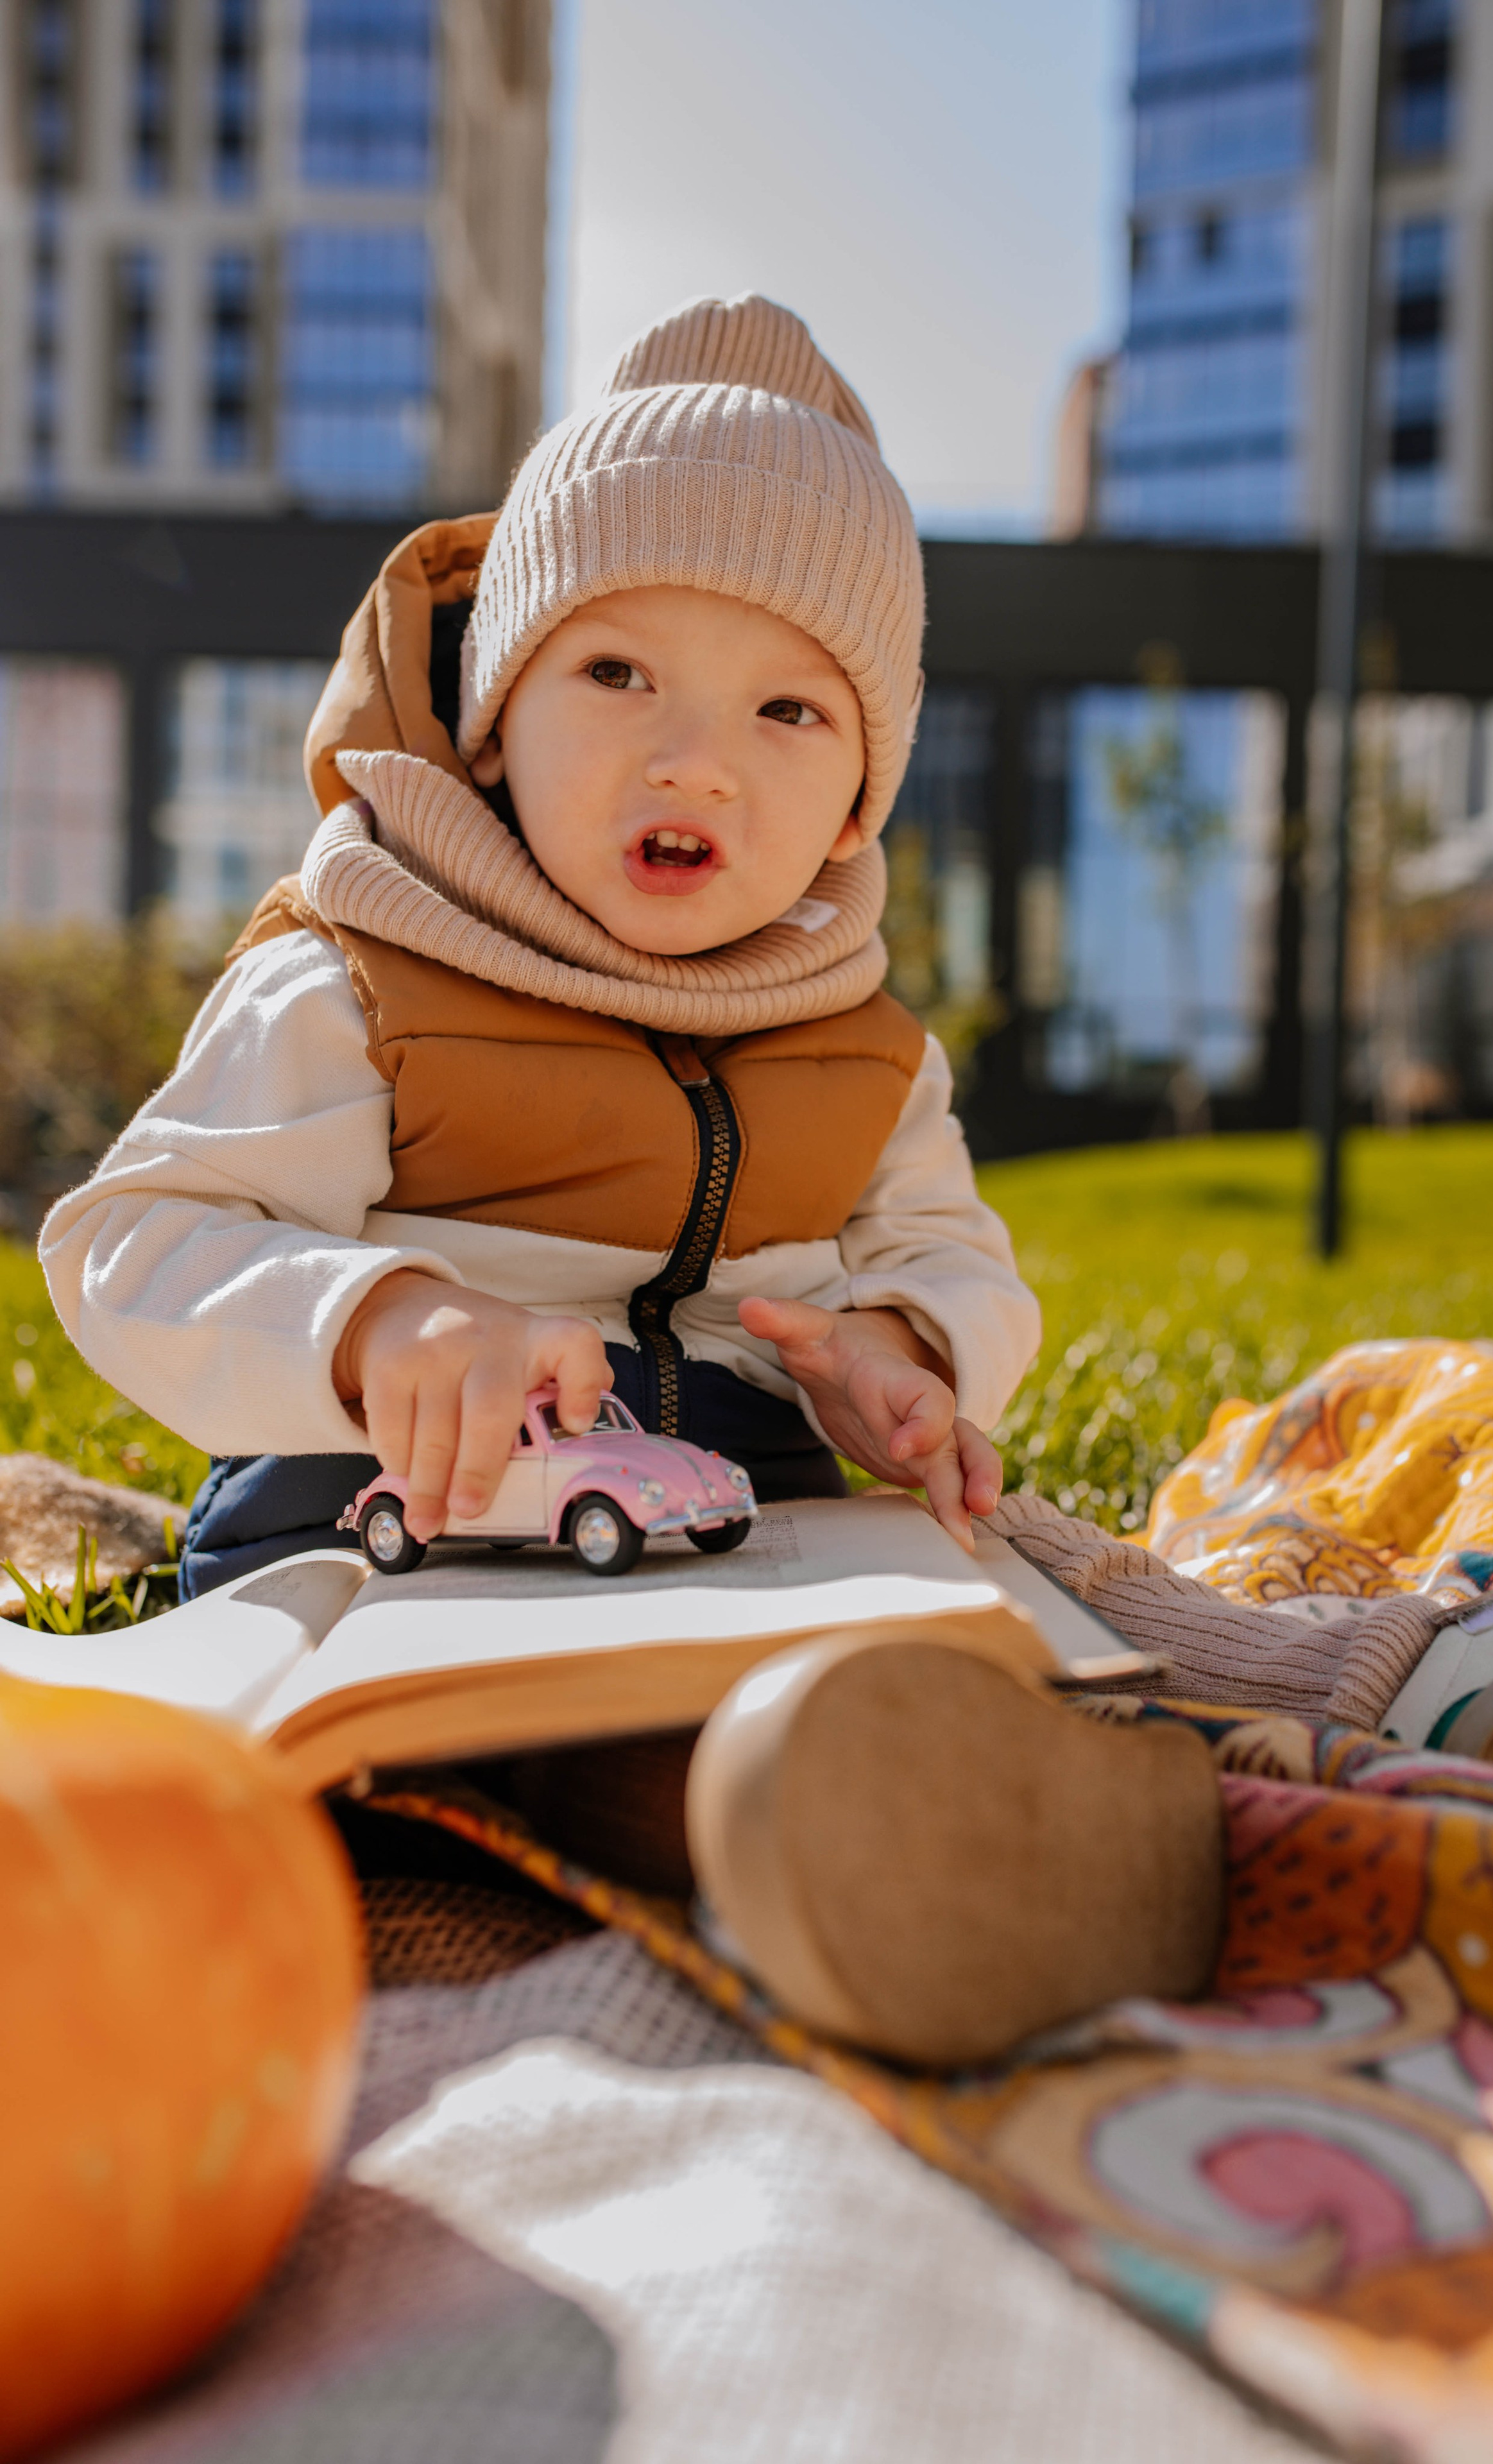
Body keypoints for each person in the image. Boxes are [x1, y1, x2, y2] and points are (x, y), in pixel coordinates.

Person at [40, 295, 1042, 1599]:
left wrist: (894, 1345)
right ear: (495, 720)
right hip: (371, 1535)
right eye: (617, 675)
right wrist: (380, 1317)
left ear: (860, 801)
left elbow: (953, 1257)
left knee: (931, 1685)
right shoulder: (369, 971)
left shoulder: (862, 1054)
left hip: (734, 1539)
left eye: (785, 710)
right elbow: (142, 1241)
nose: (694, 764)